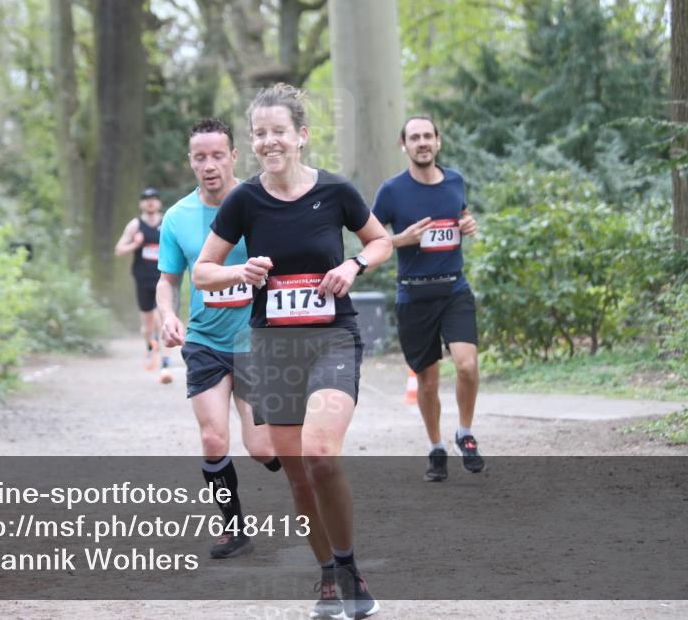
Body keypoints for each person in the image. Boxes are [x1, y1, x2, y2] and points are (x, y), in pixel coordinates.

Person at [193, 84, 392, 620]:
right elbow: (203, 272)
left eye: (279, 131)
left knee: (322, 454)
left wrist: (354, 266)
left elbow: (381, 240)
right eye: (260, 133)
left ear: (301, 136)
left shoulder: (336, 191)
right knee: (299, 473)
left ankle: (349, 566)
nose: (269, 141)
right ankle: (328, 574)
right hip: (273, 345)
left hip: (332, 338)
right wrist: (240, 270)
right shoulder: (244, 200)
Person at [156, 118, 280, 559]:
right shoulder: (177, 217)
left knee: (262, 446)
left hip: (257, 340)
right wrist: (168, 314)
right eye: (199, 157)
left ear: (234, 156)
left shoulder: (262, 203)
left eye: (217, 155)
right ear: (190, 162)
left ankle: (304, 469)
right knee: (213, 439)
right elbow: (168, 279)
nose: (209, 165)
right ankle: (234, 529)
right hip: (205, 340)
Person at [371, 114, 483, 482]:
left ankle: (465, 434)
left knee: (467, 365)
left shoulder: (455, 180)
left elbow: (461, 215)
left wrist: (468, 223)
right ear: (403, 145)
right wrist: (402, 239)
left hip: (454, 287)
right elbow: (371, 240)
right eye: (414, 137)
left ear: (438, 142)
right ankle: (436, 447)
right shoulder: (391, 191)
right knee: (428, 380)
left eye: (427, 136)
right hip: (414, 295)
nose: (422, 143)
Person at [115, 187, 172, 383]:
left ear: (159, 203)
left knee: (161, 319)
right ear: (141, 204)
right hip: (142, 278)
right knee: (147, 325)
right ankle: (150, 347)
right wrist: (135, 245)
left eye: (154, 199)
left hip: (163, 279)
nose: (151, 202)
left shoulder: (167, 222)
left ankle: (165, 363)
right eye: (147, 199)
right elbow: (119, 250)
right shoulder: (135, 225)